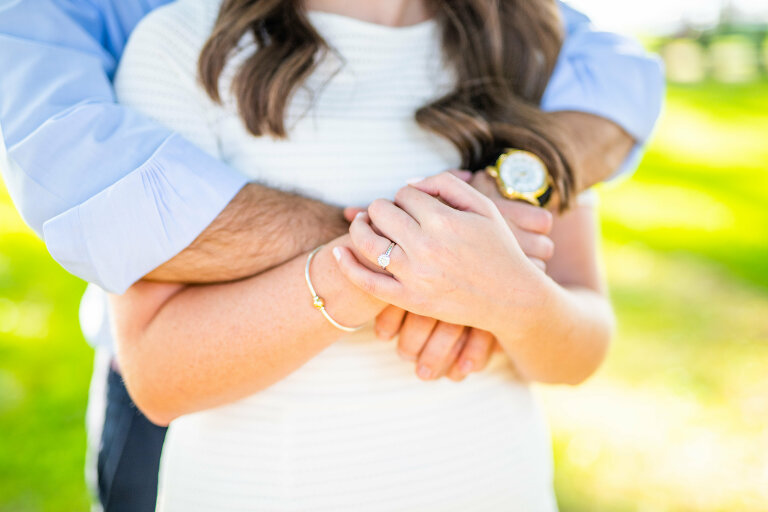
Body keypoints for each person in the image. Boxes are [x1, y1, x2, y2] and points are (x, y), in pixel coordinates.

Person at [0, 0, 664, 510]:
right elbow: (158, 378)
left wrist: (509, 295)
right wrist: (387, 266)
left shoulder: (532, 51)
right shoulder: (183, 47)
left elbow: (584, 344)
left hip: (496, 484)